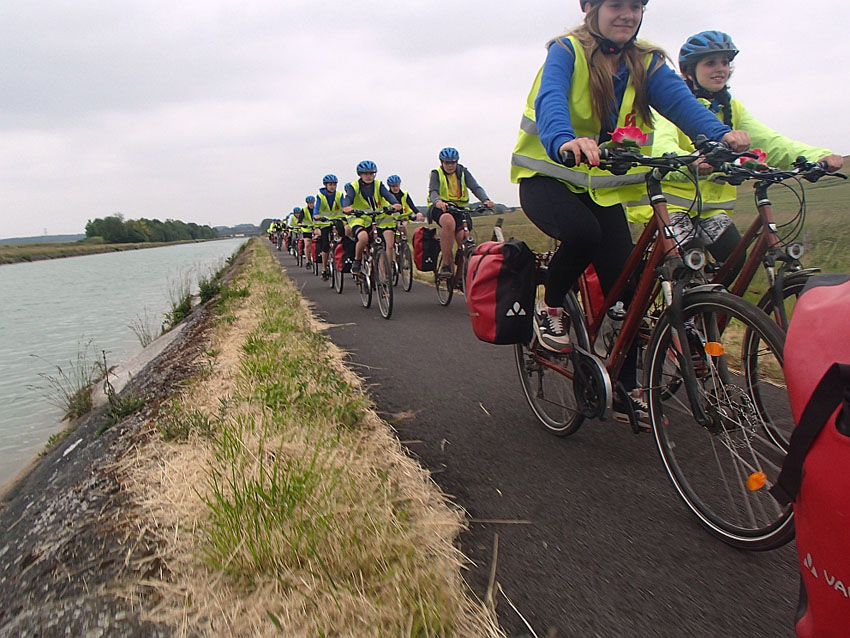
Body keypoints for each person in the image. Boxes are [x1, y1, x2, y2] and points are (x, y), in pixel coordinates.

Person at [509, 0, 751, 423]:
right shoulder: (567, 51)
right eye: (616, 5)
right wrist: (566, 140)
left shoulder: (647, 61)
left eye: (635, 6)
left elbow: (682, 105)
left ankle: (622, 389)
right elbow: (551, 101)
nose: (627, 14)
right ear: (592, 9)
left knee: (629, 293)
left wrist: (718, 136)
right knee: (583, 235)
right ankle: (551, 311)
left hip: (603, 192)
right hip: (549, 178)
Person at [626, 30, 844, 285]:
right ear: (689, 71)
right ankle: (681, 317)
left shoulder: (733, 110)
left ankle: (705, 310)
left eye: (725, 63)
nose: (721, 69)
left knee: (734, 259)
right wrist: (691, 161)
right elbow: (662, 146)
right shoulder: (673, 104)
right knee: (688, 264)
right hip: (668, 205)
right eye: (710, 63)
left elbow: (772, 143)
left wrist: (819, 156)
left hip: (707, 208)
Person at [428, 147, 494, 277]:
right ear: (442, 162)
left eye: (453, 162)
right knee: (449, 223)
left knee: (464, 237)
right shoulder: (436, 173)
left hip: (460, 210)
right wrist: (438, 201)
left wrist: (486, 200)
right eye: (447, 162)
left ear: (457, 162)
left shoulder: (463, 172)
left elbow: (475, 187)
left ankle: (461, 276)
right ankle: (446, 265)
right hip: (441, 208)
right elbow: (433, 191)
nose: (450, 165)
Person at [341, 160, 401, 275]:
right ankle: (357, 261)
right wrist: (346, 207)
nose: (368, 176)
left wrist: (395, 204)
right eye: (365, 174)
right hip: (359, 218)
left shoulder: (378, 185)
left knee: (381, 244)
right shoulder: (354, 186)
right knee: (363, 238)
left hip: (376, 218)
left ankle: (383, 276)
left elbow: (388, 195)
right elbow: (348, 198)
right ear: (360, 174)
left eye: (371, 173)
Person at [315, 174, 347, 280]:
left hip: (337, 221)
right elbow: (317, 208)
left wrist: (346, 213)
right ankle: (324, 269)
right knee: (325, 246)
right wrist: (316, 215)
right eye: (330, 184)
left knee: (344, 239)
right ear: (325, 185)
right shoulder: (320, 196)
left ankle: (343, 259)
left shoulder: (339, 195)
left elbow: (343, 206)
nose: (332, 186)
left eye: (334, 184)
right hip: (325, 223)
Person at [386, 174, 424, 246]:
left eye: (397, 185)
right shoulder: (387, 195)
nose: (395, 188)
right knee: (392, 231)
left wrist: (418, 212)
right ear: (390, 186)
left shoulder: (404, 194)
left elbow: (411, 205)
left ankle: (404, 243)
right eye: (393, 186)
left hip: (404, 216)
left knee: (403, 226)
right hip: (391, 218)